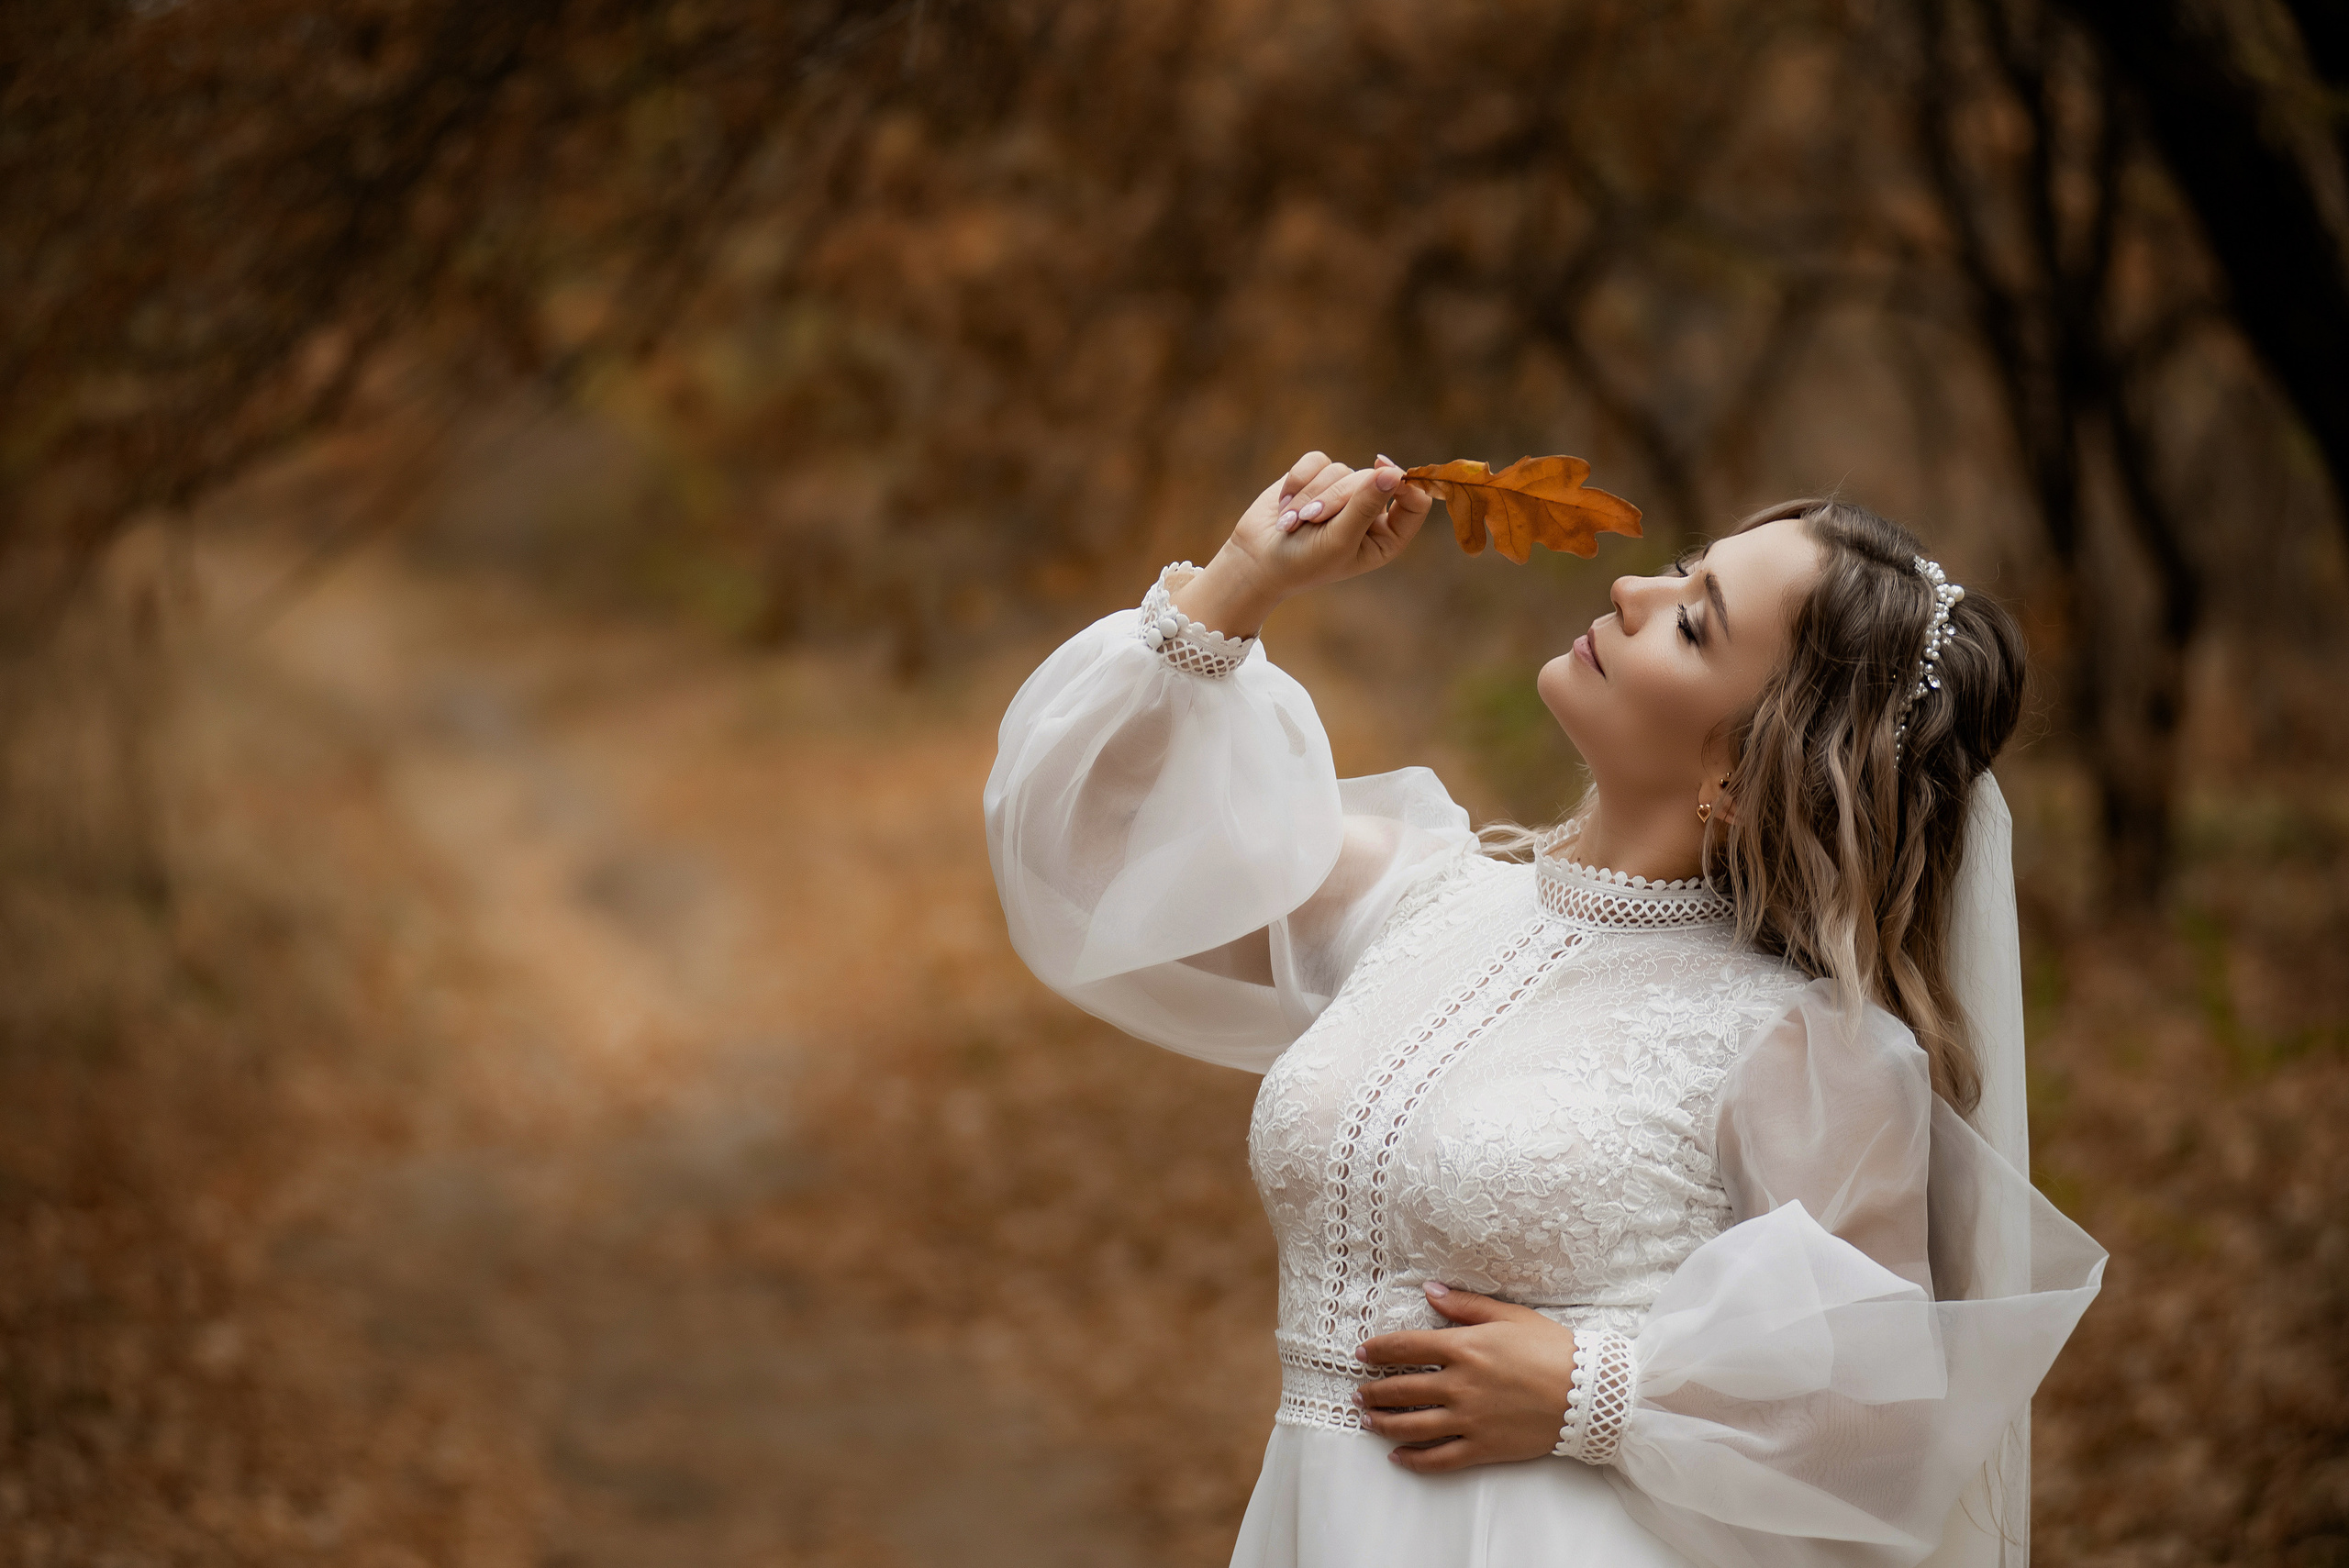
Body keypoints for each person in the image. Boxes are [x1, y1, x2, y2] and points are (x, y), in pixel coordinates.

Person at [984, 450, 2105, 1568]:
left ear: (1748, 766)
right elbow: (1083, 851)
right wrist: (1239, 579)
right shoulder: (1417, 901)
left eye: (1694, 624)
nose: (1631, 591)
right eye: (1680, 569)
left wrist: (1591, 1390)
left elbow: (1877, 1427)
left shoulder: (1805, 1043)